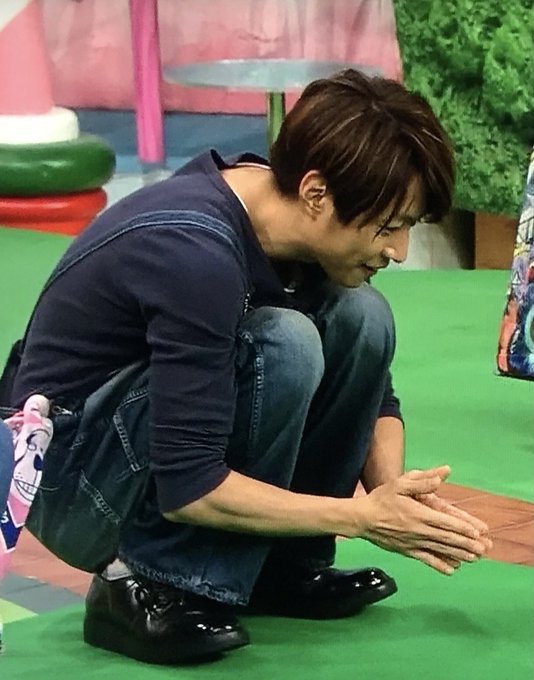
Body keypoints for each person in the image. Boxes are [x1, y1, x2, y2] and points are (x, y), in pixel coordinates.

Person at [7, 70, 491, 665]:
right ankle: (143, 585)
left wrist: (392, 493)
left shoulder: (280, 214)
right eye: (388, 227)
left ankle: (280, 568)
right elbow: (191, 485)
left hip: (135, 441)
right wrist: (360, 517)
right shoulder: (196, 252)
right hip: (65, 477)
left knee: (361, 315)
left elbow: (376, 400)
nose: (399, 250)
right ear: (316, 194)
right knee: (284, 344)